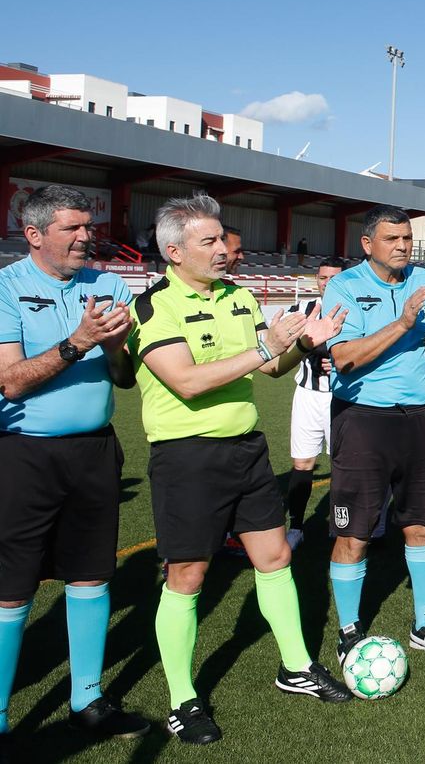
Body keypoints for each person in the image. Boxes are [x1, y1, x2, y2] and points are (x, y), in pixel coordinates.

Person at [129, 193, 352, 744]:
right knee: (188, 575)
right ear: (175, 251)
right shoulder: (155, 306)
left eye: (220, 237)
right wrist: (264, 347)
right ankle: (182, 699)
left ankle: (295, 666)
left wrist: (301, 345)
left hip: (246, 448)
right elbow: (186, 381)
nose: (222, 248)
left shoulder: (238, 296)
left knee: (275, 557)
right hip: (187, 457)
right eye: (208, 241)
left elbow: (273, 368)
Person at [0, 185, 149, 744]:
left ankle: (87, 699)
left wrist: (113, 348)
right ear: (35, 235)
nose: (87, 238)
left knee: (91, 573)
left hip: (95, 450)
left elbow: (125, 376)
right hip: (23, 454)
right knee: (12, 587)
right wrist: (79, 340)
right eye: (72, 228)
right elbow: (10, 381)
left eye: (88, 227)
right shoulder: (6, 286)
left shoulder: (108, 284)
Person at [321, 205, 425, 662]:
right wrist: (404, 323)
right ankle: (349, 629)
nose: (403, 246)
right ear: (368, 245)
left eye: (406, 238)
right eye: (392, 239)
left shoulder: (422, 280)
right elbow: (343, 357)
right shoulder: (344, 287)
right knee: (355, 533)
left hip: (420, 416)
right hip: (363, 419)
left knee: (424, 524)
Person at [284, 259, 350, 550]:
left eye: (333, 278)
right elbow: (282, 346)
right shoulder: (301, 309)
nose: (327, 283)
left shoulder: (355, 309)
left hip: (344, 396)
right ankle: (296, 526)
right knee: (302, 463)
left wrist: (338, 361)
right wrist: (306, 351)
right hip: (308, 395)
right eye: (323, 278)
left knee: (344, 465)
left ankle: (341, 526)